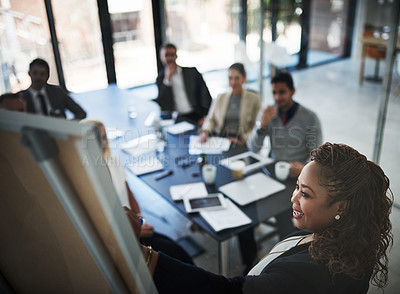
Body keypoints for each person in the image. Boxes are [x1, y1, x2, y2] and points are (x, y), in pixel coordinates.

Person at [126, 142, 393, 294]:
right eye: (297, 186)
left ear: (342, 207)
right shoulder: (338, 236)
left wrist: (142, 254)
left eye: (306, 194)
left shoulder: (310, 275)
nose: (293, 198)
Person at [82, 119, 194, 265]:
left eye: (104, 137)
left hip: (134, 228)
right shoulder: (86, 177)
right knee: (175, 257)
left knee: (178, 253)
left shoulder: (113, 161)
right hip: (121, 238)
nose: (103, 143)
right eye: (97, 139)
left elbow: (129, 195)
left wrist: (140, 221)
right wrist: (134, 231)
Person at [247, 72, 322, 178]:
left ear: (292, 91)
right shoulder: (267, 113)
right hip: (273, 169)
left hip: (299, 173)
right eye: (274, 92)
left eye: (282, 92)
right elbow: (253, 148)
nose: (277, 97)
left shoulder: (310, 118)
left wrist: (304, 169)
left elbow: (317, 155)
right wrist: (262, 125)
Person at [200, 63, 261, 145]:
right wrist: (205, 132)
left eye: (237, 78)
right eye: (230, 78)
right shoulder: (220, 97)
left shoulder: (254, 98)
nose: (233, 82)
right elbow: (210, 119)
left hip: (242, 140)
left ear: (244, 78)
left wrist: (244, 140)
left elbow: (256, 125)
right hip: (222, 139)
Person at [154, 43, 212, 125]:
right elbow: (163, 105)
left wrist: (207, 116)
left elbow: (205, 95)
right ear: (161, 58)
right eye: (166, 55)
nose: (170, 58)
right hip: (179, 118)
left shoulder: (192, 72)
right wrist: (167, 80)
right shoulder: (161, 79)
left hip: (197, 114)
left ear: (176, 56)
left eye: (172, 55)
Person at [19, 58, 87, 120]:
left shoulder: (58, 92)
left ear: (47, 76)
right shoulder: (20, 98)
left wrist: (67, 126)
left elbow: (81, 113)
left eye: (42, 74)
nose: (38, 77)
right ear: (29, 73)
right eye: (35, 73)